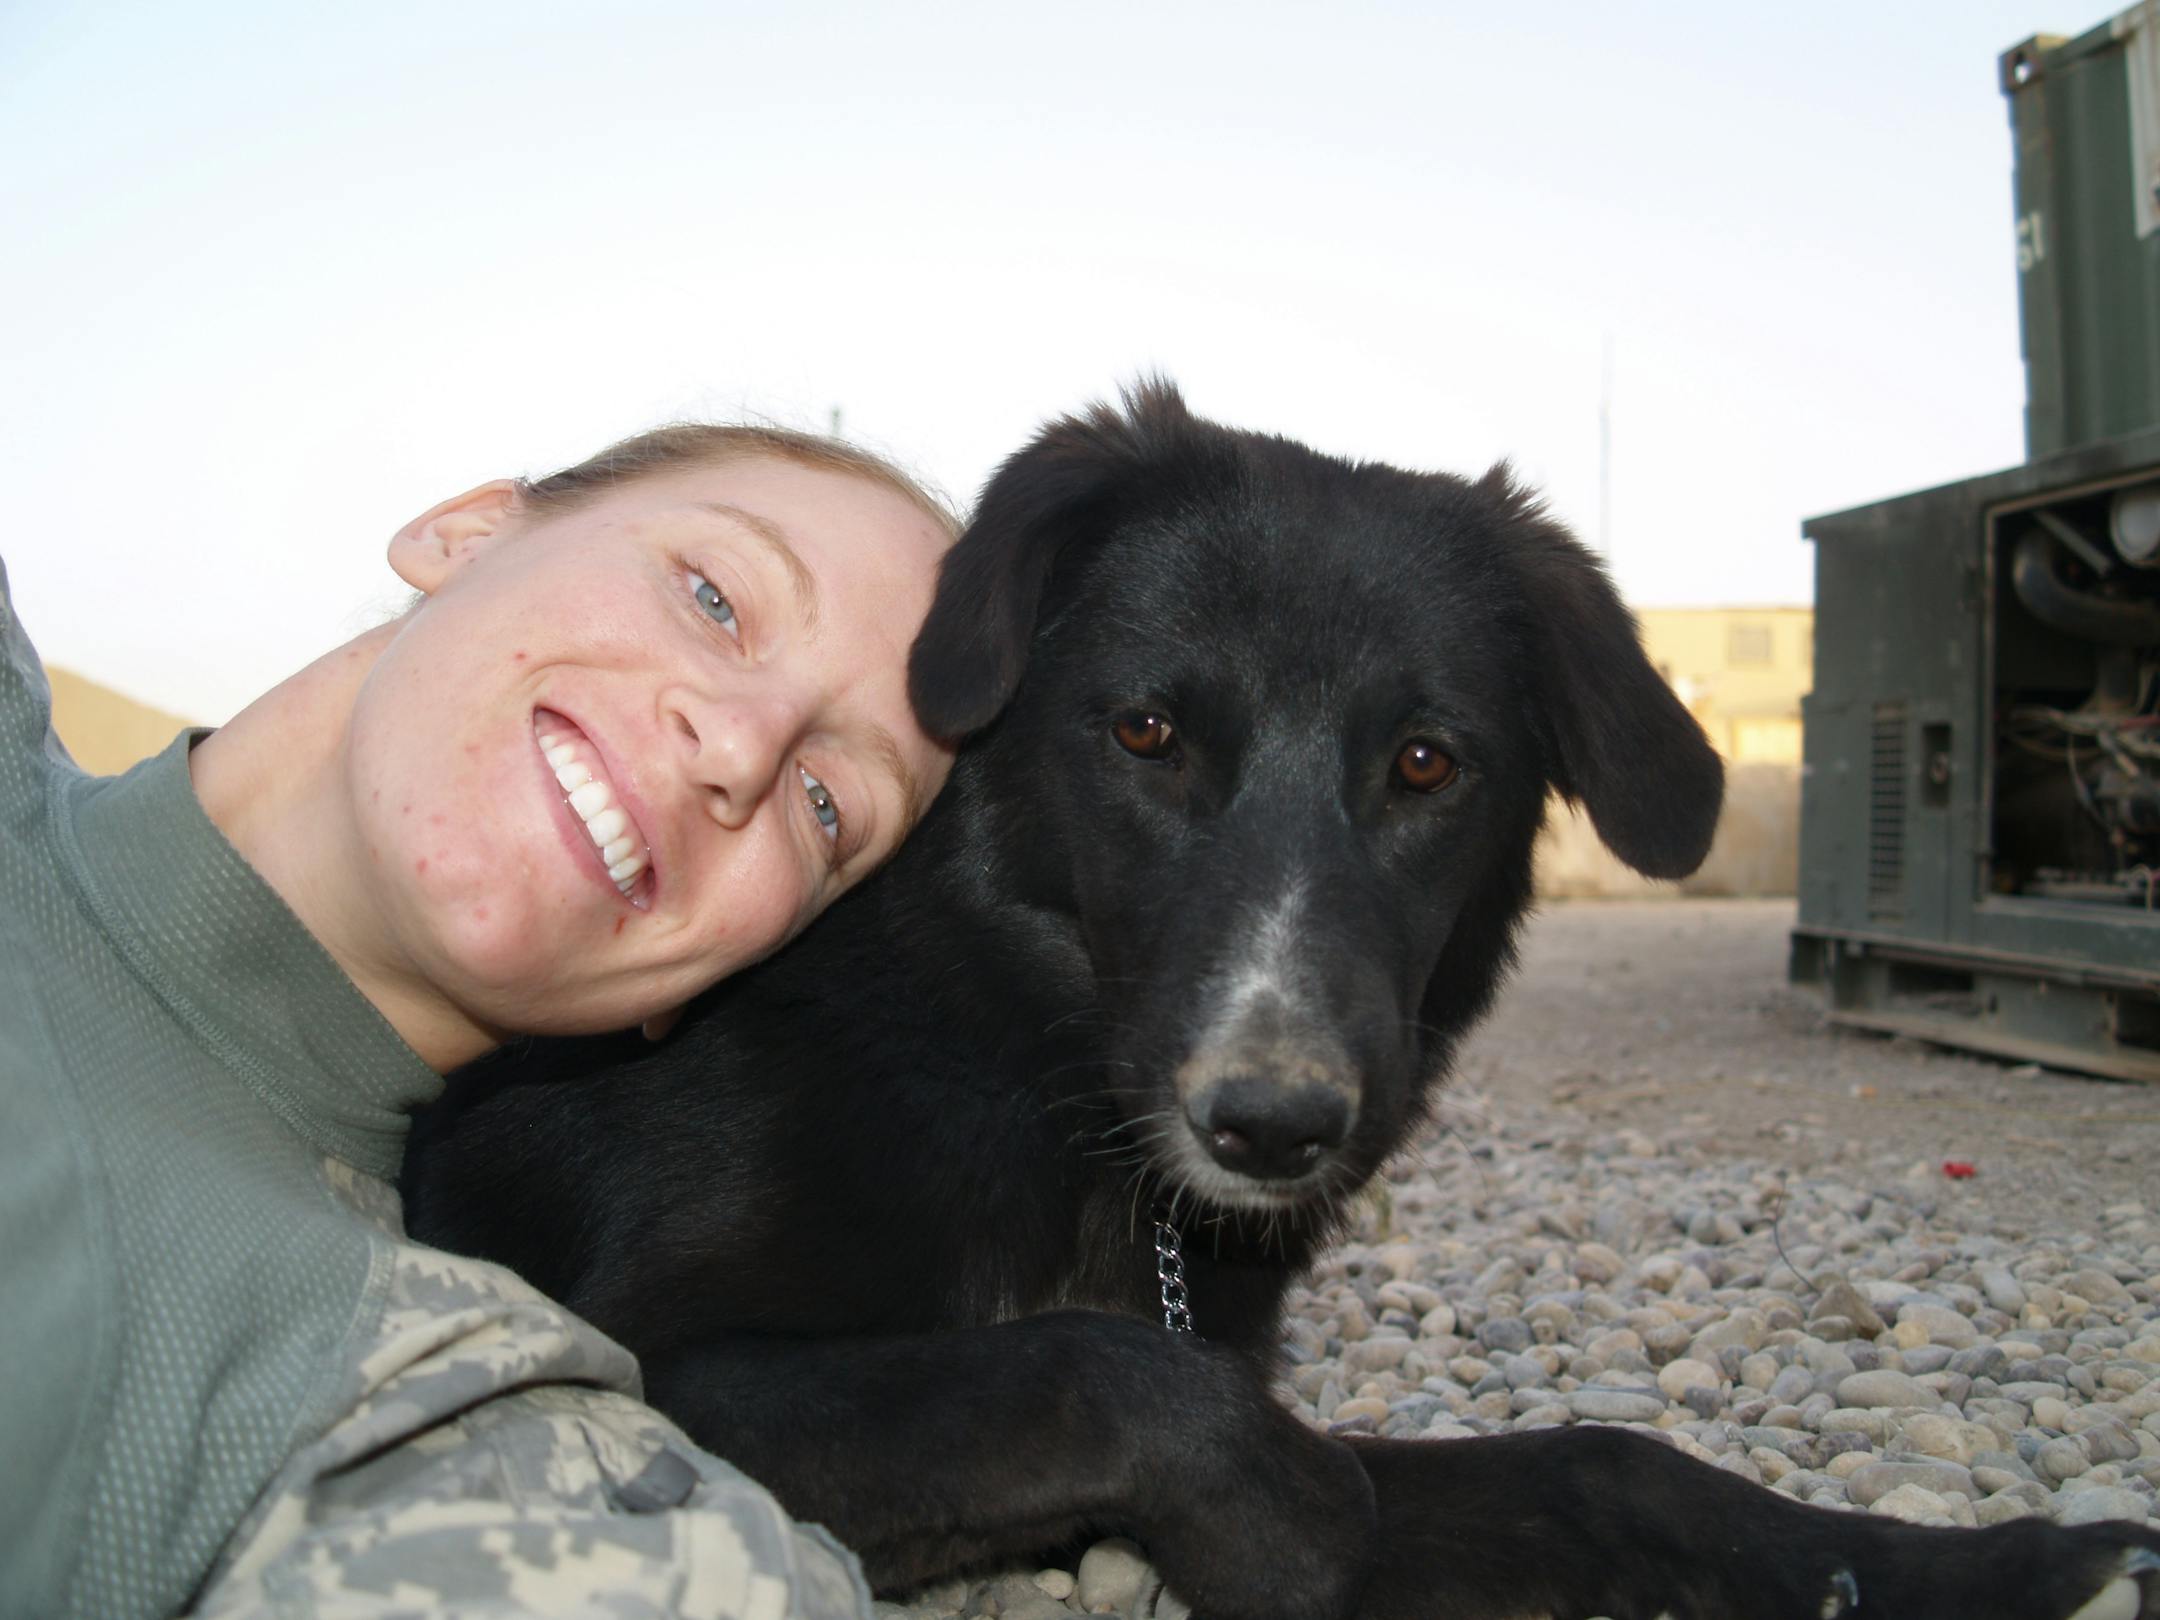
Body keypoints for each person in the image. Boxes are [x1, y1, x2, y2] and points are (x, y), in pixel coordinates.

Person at [0, 423, 961, 1619]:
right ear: (464, 531)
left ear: (708, 984)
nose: (741, 741)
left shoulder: (409, 1407)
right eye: (713, 596)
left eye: (828, 804)